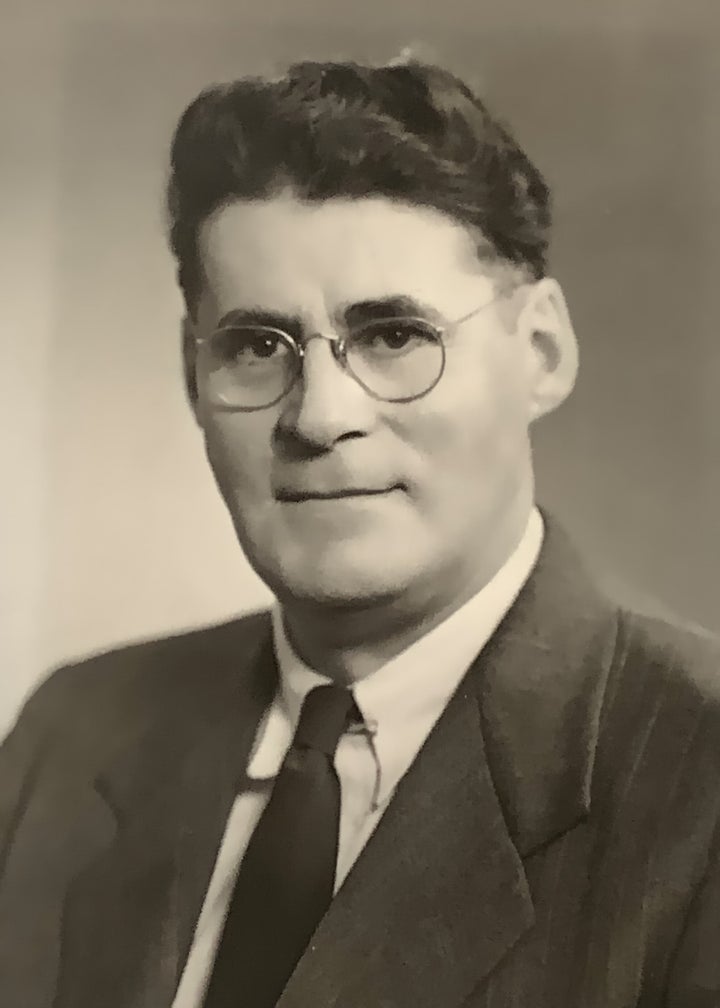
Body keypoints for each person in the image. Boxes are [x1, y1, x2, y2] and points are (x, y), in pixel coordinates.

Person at [1, 56, 719, 1008]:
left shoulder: (696, 776)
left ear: (541, 352)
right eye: (259, 347)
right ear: (192, 374)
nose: (319, 415)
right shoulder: (75, 731)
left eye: (393, 336)